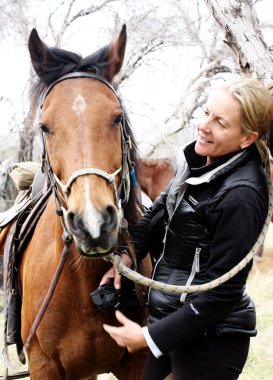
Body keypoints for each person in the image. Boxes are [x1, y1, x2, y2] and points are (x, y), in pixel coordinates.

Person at [101, 77, 273, 380]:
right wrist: (129, 255)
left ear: (248, 139)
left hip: (212, 339)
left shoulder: (242, 195)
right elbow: (155, 216)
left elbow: (220, 295)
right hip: (173, 323)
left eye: (220, 122)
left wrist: (147, 338)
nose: (204, 126)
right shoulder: (194, 162)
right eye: (206, 112)